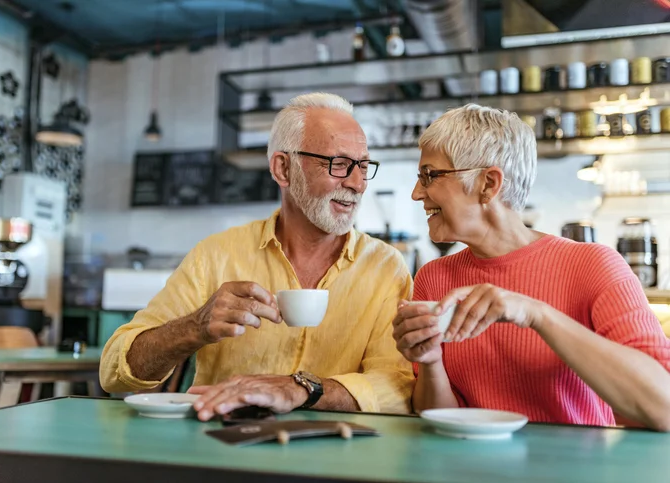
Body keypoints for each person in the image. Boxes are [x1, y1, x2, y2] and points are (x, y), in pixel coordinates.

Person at [100, 92, 414, 419]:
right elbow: (114, 371)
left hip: (339, 455)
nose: (357, 183)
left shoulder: (385, 267)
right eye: (338, 164)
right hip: (224, 448)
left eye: (363, 166)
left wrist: (301, 388)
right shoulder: (216, 255)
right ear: (283, 168)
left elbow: (398, 386)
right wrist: (195, 326)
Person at [392, 104, 670, 432]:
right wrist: (431, 361)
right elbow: (437, 417)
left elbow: (662, 405)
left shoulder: (594, 266)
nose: (416, 193)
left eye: (430, 175)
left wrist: (535, 313)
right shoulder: (434, 278)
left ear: (488, 184)